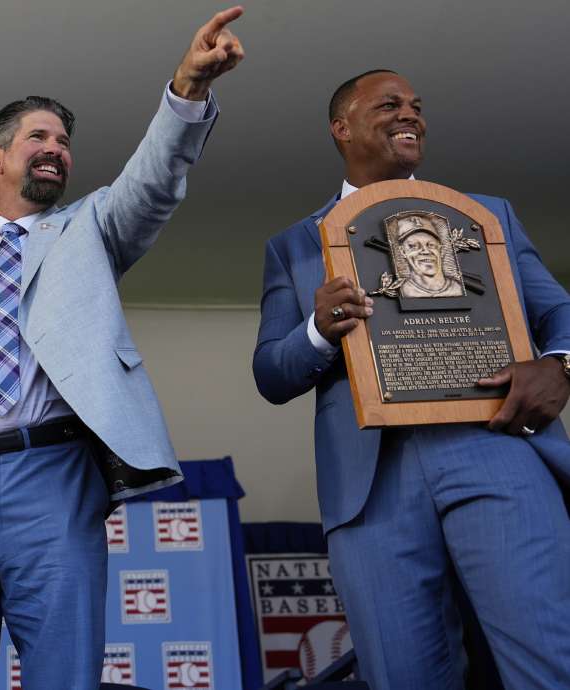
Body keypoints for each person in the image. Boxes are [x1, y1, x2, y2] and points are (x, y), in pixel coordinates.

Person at [0, 8, 244, 689]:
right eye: (39, 136)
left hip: (50, 476)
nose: (57, 146)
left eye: (63, 139)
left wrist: (187, 90)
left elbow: (153, 180)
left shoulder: (90, 229)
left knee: (64, 670)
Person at [253, 69, 570, 689]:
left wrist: (561, 363)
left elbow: (560, 311)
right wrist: (318, 330)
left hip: (494, 442)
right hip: (371, 482)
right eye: (390, 104)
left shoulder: (485, 216)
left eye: (417, 107)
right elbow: (270, 372)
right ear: (341, 129)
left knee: (548, 655)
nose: (411, 115)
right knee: (401, 674)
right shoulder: (293, 245)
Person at [393, 215, 464, 298]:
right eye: (413, 246)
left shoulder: (458, 288)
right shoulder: (403, 290)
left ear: (440, 249)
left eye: (431, 245)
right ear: (403, 251)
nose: (425, 251)